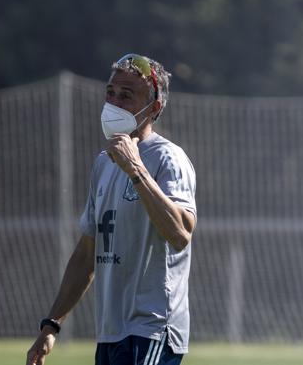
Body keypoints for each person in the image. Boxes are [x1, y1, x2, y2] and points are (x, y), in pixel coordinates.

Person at [26, 53, 197, 365]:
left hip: (153, 330)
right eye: (110, 93)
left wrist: (137, 169)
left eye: (127, 95)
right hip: (111, 332)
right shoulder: (103, 164)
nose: (114, 102)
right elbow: (87, 252)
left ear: (154, 107)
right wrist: (52, 324)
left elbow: (181, 234)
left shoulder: (168, 159)